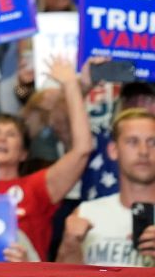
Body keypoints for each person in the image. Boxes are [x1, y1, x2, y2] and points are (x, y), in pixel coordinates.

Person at [57, 108, 155, 267]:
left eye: (153, 142)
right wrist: (70, 245)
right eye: (132, 141)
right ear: (113, 150)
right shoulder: (87, 213)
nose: (143, 151)